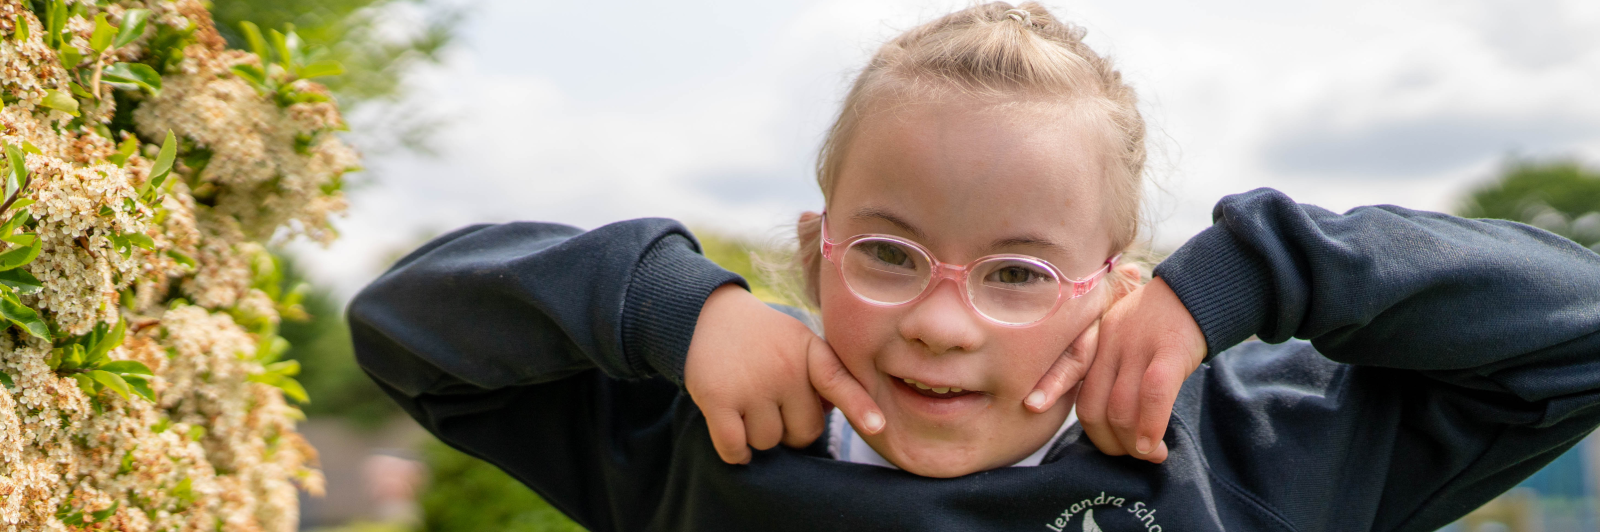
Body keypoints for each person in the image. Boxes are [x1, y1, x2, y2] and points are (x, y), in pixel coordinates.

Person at [348, 3, 1600, 531]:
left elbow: (1576, 331)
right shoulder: (705, 445)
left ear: (1120, 293)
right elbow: (410, 332)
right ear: (815, 258)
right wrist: (675, 310)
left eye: (1016, 273)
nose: (942, 324)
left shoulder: (1255, 454)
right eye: (888, 255)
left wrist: (1256, 274)